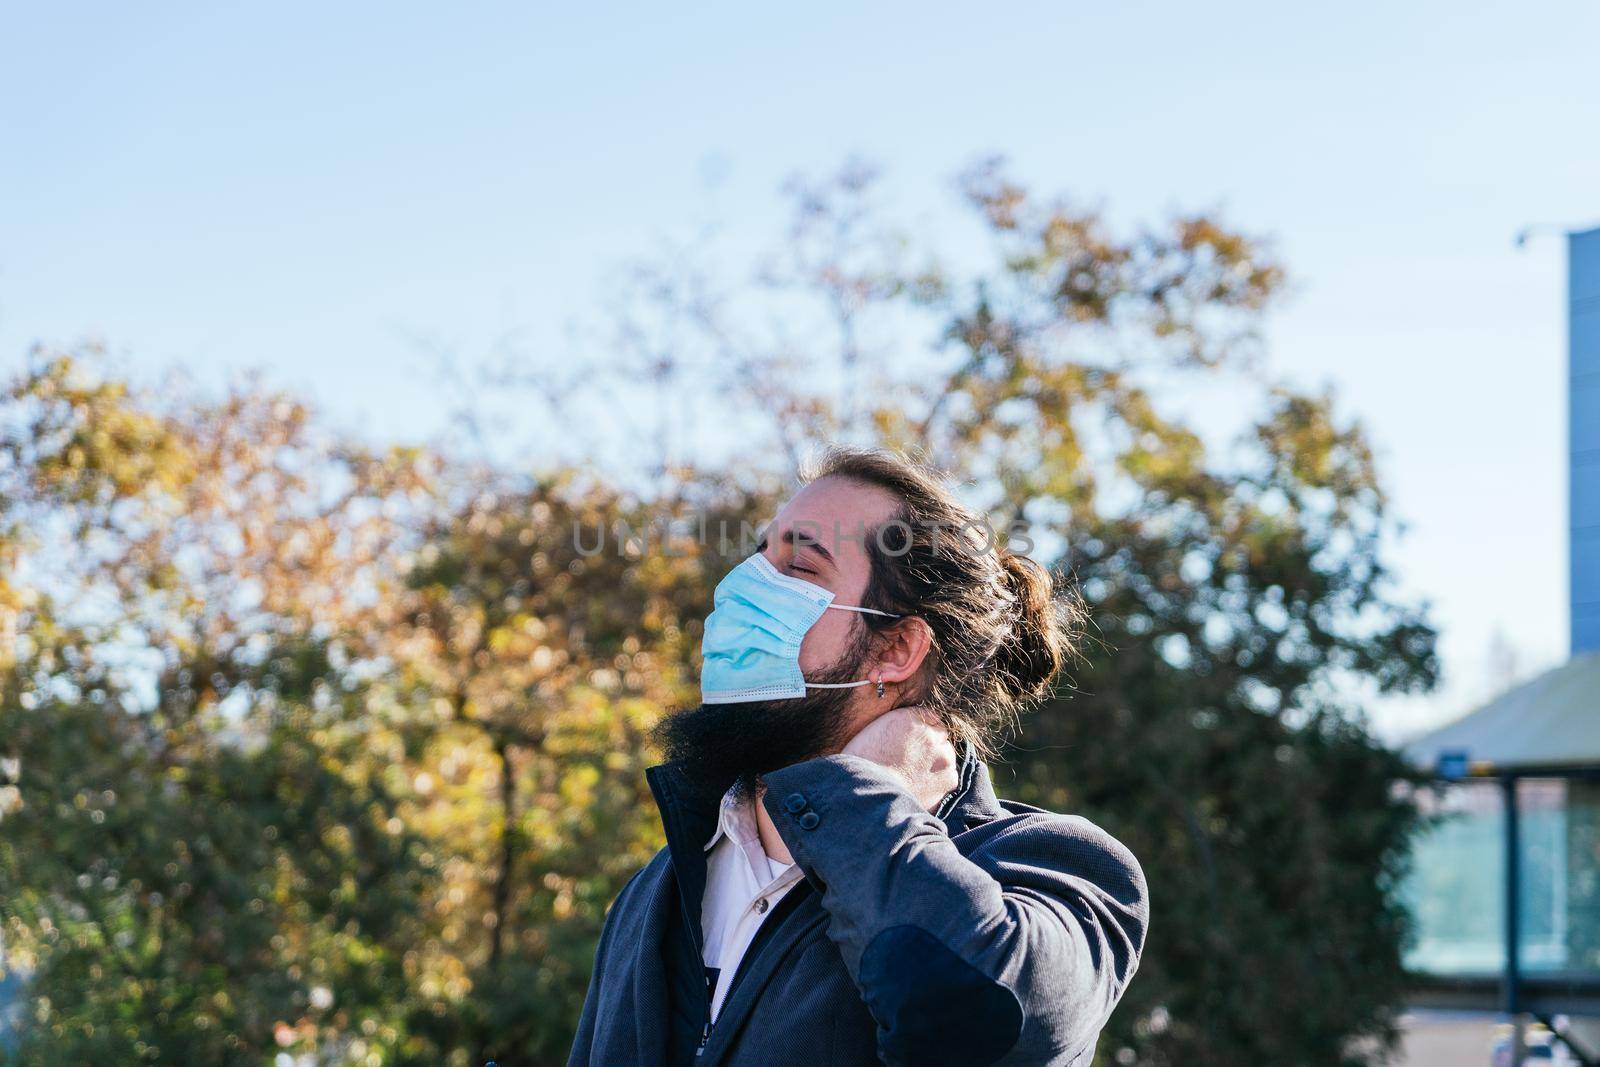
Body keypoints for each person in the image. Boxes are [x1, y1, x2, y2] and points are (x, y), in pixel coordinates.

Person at [566, 447, 1148, 1067]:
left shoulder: (1055, 867)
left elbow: (978, 1023)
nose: (739, 590)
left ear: (896, 647)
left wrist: (863, 792)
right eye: (758, 556)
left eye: (799, 567)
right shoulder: (657, 887)